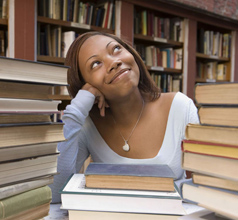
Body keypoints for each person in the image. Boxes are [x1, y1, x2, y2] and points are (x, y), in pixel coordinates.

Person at [49, 31, 199, 203]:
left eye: (116, 49)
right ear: (84, 83)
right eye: (96, 63)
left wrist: (160, 192)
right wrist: (77, 109)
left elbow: (210, 188)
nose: (114, 62)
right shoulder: (87, 125)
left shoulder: (181, 108)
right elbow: (56, 193)